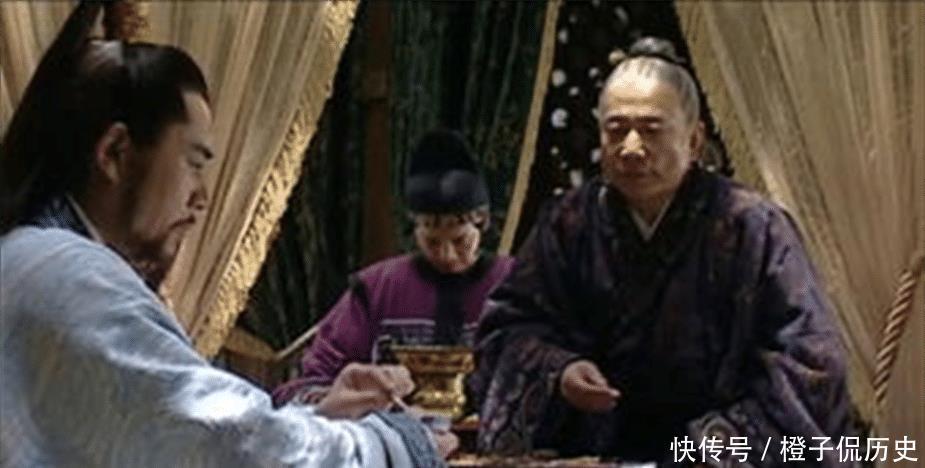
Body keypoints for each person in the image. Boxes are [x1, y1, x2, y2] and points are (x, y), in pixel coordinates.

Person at [0, 2, 450, 466]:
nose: (201, 198)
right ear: (115, 152)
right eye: (193, 163)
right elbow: (231, 446)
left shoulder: (30, 259)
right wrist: (392, 445)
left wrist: (318, 419)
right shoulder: (67, 275)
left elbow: (188, 441)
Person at [472, 37, 853, 467]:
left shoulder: (752, 227)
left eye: (651, 130)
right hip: (596, 453)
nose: (631, 148)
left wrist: (710, 444)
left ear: (694, 139)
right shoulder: (569, 224)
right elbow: (507, 329)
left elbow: (810, 364)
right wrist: (560, 372)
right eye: (616, 130)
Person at [274, 129, 514, 406]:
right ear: (415, 231)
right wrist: (340, 398)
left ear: (482, 222)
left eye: (460, 241)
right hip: (390, 428)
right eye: (432, 242)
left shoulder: (516, 283)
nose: (447, 255)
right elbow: (307, 384)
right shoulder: (377, 288)